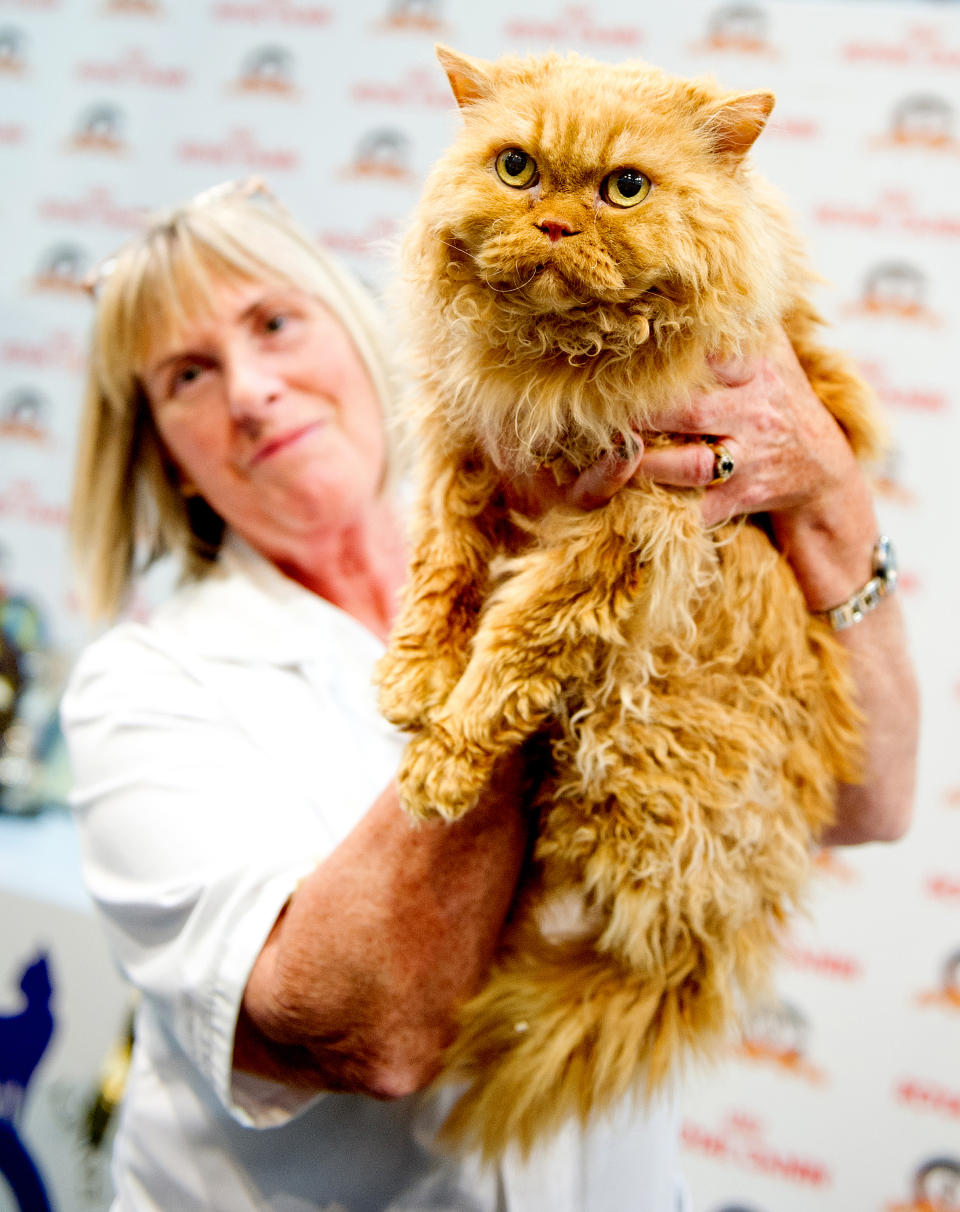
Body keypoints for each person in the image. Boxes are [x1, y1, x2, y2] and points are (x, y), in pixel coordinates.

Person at [61, 178, 918, 1212]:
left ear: (360, 330)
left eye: (275, 324)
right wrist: (543, 611)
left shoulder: (581, 499)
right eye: (187, 375)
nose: (251, 391)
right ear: (171, 458)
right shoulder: (142, 687)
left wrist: (829, 491)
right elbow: (369, 1033)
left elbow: (870, 800)